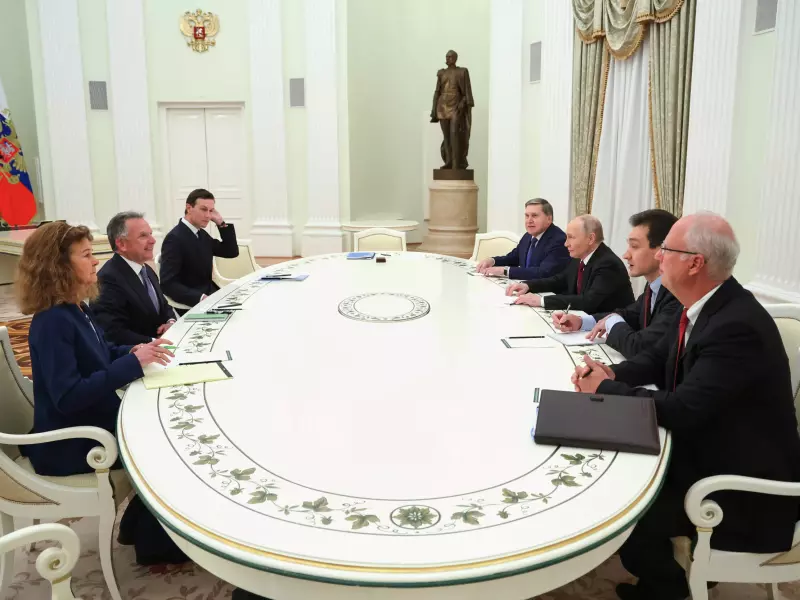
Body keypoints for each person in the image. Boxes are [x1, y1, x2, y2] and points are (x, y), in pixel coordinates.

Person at [571, 212, 800, 600]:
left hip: (743, 483)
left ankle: (669, 590)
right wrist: (610, 374)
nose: (659, 257)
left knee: (627, 508)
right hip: (712, 444)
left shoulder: (736, 325)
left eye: (667, 250)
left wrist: (608, 390)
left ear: (695, 263)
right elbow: (655, 359)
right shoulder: (703, 304)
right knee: (617, 465)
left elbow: (682, 410)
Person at [16, 221, 186, 565]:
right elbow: (68, 397)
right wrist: (132, 364)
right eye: (86, 255)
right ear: (59, 267)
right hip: (70, 442)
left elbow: (102, 351)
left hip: (91, 421)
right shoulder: (52, 322)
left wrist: (135, 351)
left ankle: (138, 526)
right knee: (166, 441)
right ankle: (153, 543)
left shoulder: (75, 307)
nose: (96, 261)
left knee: (164, 429)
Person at [552, 209, 681, 358]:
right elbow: (631, 313)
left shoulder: (677, 294)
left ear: (662, 251)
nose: (626, 255)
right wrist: (582, 322)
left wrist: (612, 322)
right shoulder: (653, 286)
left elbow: (640, 347)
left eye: (634, 246)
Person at [505, 214, 633, 313]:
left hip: (608, 330)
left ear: (590, 239)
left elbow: (588, 301)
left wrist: (541, 301)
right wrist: (528, 285)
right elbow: (560, 280)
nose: (566, 244)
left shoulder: (608, 264)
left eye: (571, 237)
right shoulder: (580, 256)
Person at [91, 211, 177, 345]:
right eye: (143, 236)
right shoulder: (107, 279)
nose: (153, 240)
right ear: (121, 244)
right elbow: (113, 332)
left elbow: (164, 306)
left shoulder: (146, 270)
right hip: (139, 351)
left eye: (150, 234)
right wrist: (156, 341)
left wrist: (170, 322)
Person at [160, 188, 239, 309]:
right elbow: (168, 284)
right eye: (203, 209)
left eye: (211, 211)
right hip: (192, 304)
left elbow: (231, 252)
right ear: (189, 208)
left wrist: (221, 223)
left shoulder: (200, 233)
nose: (208, 216)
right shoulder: (174, 239)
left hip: (211, 295)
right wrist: (200, 298)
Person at [475, 198, 571, 280]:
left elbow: (543, 272)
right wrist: (492, 261)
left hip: (546, 292)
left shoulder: (559, 240)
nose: (529, 220)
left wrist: (505, 271)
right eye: (527, 216)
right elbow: (514, 258)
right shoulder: (528, 236)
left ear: (549, 219)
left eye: (534, 216)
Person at [430, 49, 474, 170]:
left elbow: (466, 92)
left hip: (455, 106)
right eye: (446, 57)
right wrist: (434, 109)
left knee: (454, 134)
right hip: (442, 106)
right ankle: (448, 162)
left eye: (449, 57)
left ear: (455, 58)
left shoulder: (462, 72)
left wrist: (462, 103)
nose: (447, 58)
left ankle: (456, 163)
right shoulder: (441, 73)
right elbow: (437, 91)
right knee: (446, 136)